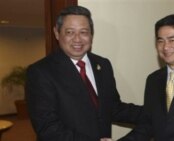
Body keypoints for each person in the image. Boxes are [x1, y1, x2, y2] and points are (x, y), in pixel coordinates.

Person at [25, 5, 143, 141]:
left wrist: (156, 111)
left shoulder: (103, 65)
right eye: (70, 32)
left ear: (91, 35)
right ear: (57, 33)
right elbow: (47, 128)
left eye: (84, 32)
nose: (77, 39)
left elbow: (113, 107)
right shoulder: (40, 72)